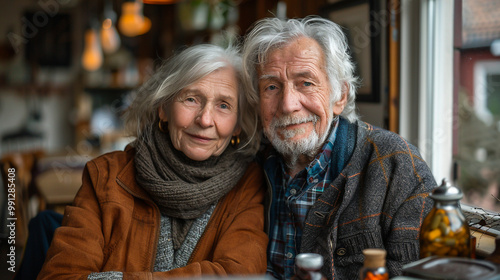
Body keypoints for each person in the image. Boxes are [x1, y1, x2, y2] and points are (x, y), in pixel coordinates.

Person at [37, 44, 268, 279]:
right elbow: (61, 275)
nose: (205, 119)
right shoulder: (105, 175)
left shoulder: (248, 184)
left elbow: (239, 274)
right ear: (163, 108)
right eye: (191, 99)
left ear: (238, 124)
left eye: (223, 105)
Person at [242, 16, 437, 279]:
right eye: (272, 87)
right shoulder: (252, 162)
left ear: (340, 95)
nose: (288, 104)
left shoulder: (397, 165)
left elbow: (424, 274)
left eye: (306, 83)